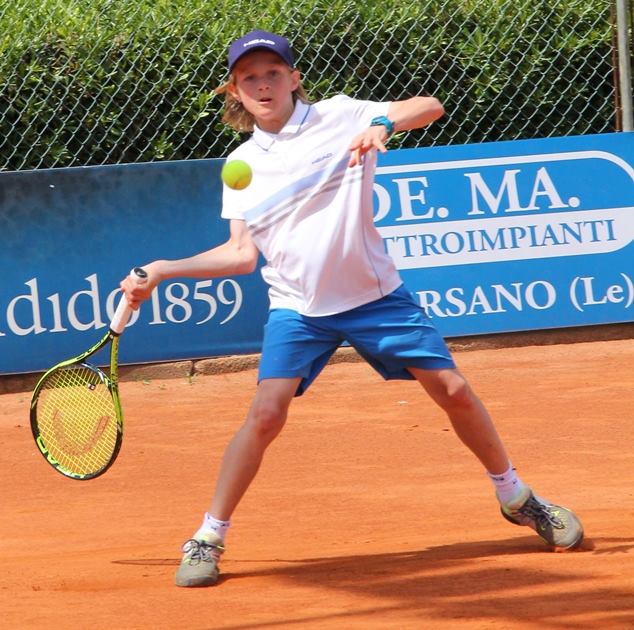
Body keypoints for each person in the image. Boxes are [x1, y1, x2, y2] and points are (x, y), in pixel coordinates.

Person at [120, 29, 584, 588]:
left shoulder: (340, 115)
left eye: (273, 73)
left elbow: (430, 106)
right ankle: (209, 535)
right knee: (266, 414)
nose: (263, 84)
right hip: (299, 308)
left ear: (293, 79)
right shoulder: (241, 165)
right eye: (249, 78)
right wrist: (165, 267)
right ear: (235, 93)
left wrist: (382, 123)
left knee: (455, 392)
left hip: (376, 297)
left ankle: (516, 496)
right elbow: (243, 255)